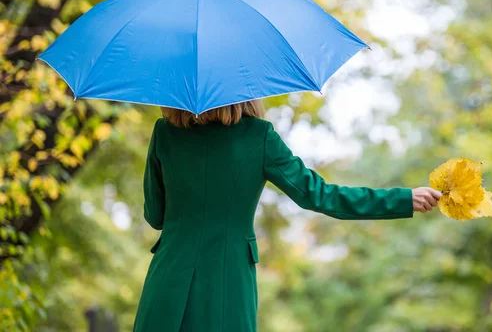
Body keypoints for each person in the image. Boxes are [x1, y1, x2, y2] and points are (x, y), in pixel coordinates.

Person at [132, 99, 441, 332]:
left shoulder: (164, 133)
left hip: (167, 279)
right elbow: (320, 195)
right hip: (228, 285)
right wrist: (403, 199)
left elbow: (154, 215)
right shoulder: (259, 137)